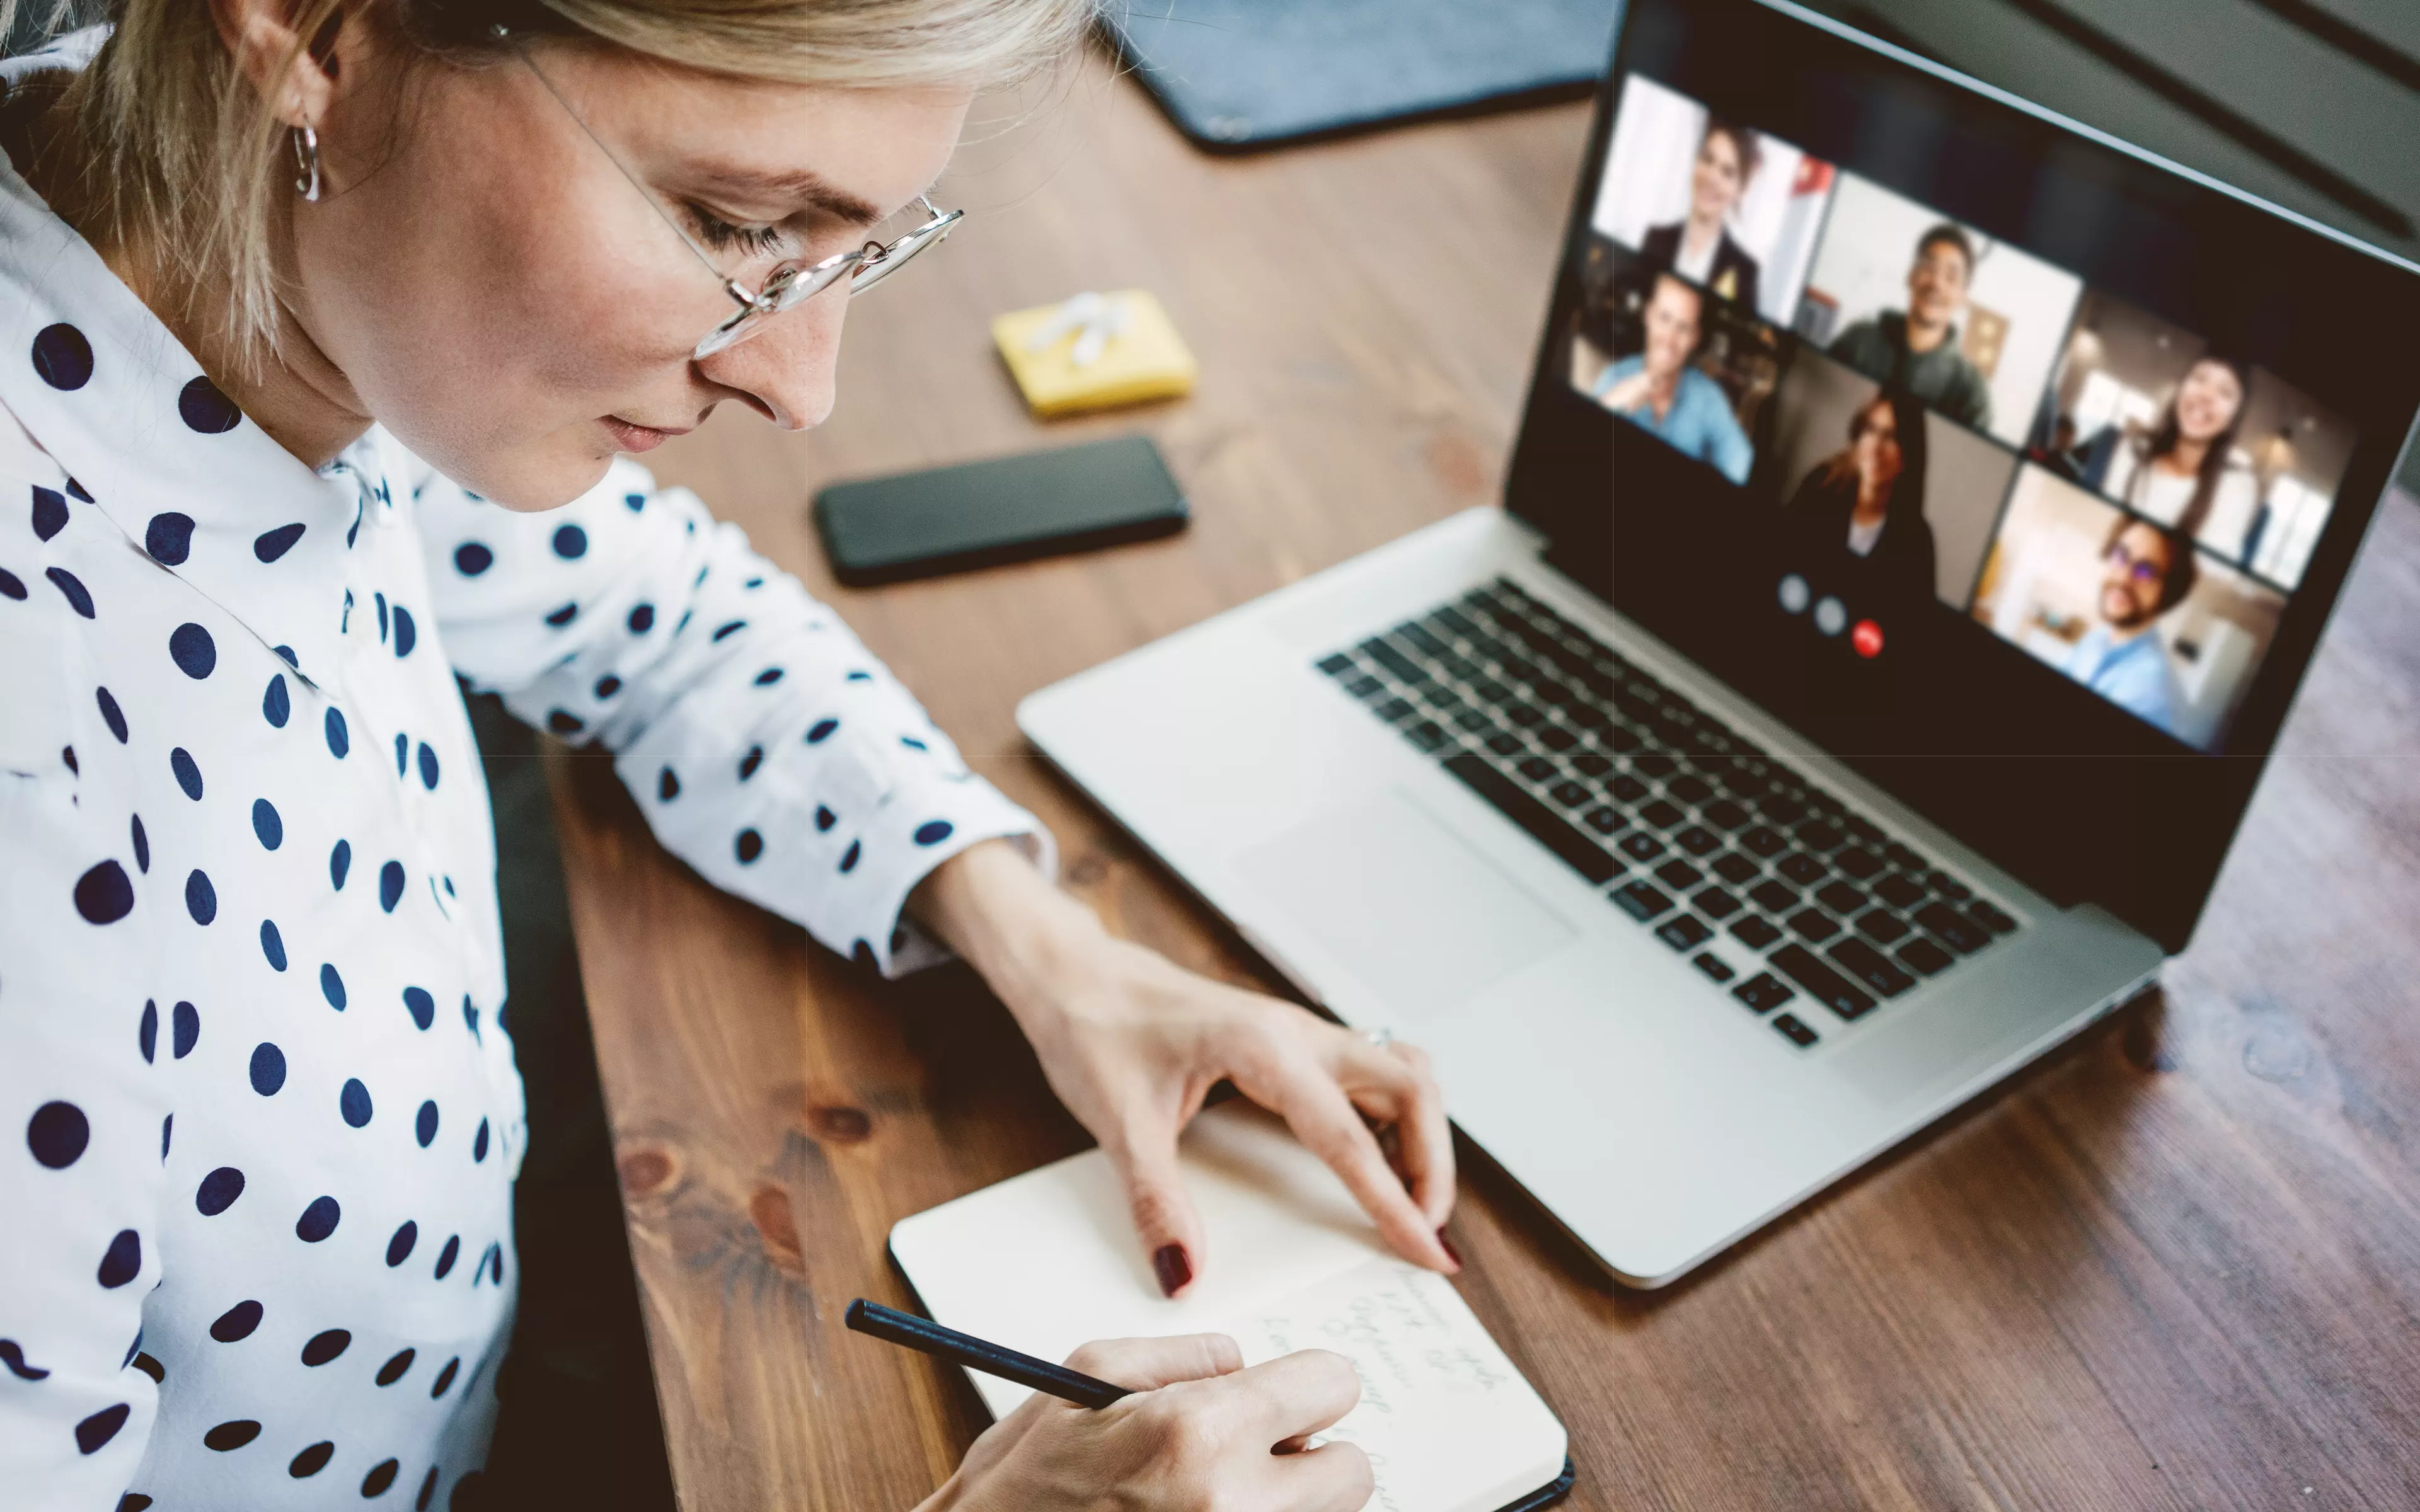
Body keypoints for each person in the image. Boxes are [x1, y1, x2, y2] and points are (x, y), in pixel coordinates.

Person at [0, 5, 1456, 1511]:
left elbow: (664, 614)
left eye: (847, 251)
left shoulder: (250, 292)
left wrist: (1052, 951)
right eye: (736, 222)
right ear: (314, 29)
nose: (800, 385)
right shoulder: (31, 773)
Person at [2092, 355, 2260, 563]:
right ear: (2180, 389)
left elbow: (2216, 572)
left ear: (2233, 419)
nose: (2207, 394)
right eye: (2200, 378)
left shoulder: (2236, 486)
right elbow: (2101, 529)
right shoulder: (2134, 450)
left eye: (2225, 392)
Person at [1826, 222, 1993, 431]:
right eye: (1929, 268)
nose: (1936, 283)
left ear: (1963, 298)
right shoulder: (1857, 341)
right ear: (1911, 275)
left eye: (1951, 277)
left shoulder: (1970, 393)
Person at [1591, 272, 1754, 484]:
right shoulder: (1615, 379)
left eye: (1683, 328)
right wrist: (1610, 404)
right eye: (1664, 318)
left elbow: (1740, 458)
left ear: (1695, 338)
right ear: (1648, 316)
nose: (1670, 339)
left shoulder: (1707, 397)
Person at [1783, 389, 1937, 600]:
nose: (1875, 447)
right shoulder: (1820, 485)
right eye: (1871, 430)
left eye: (1891, 436)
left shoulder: (1917, 541)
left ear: (1907, 458)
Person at [2063, 515, 2199, 735]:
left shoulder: (2152, 692)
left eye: (2146, 571)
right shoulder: (2096, 639)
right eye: (2121, 556)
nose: (2124, 578)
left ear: (2167, 594)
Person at [1640, 117, 1761, 312]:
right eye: (1707, 159)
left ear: (1741, 189)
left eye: (1727, 172)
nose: (1712, 177)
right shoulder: (1655, 238)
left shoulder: (1746, 271)